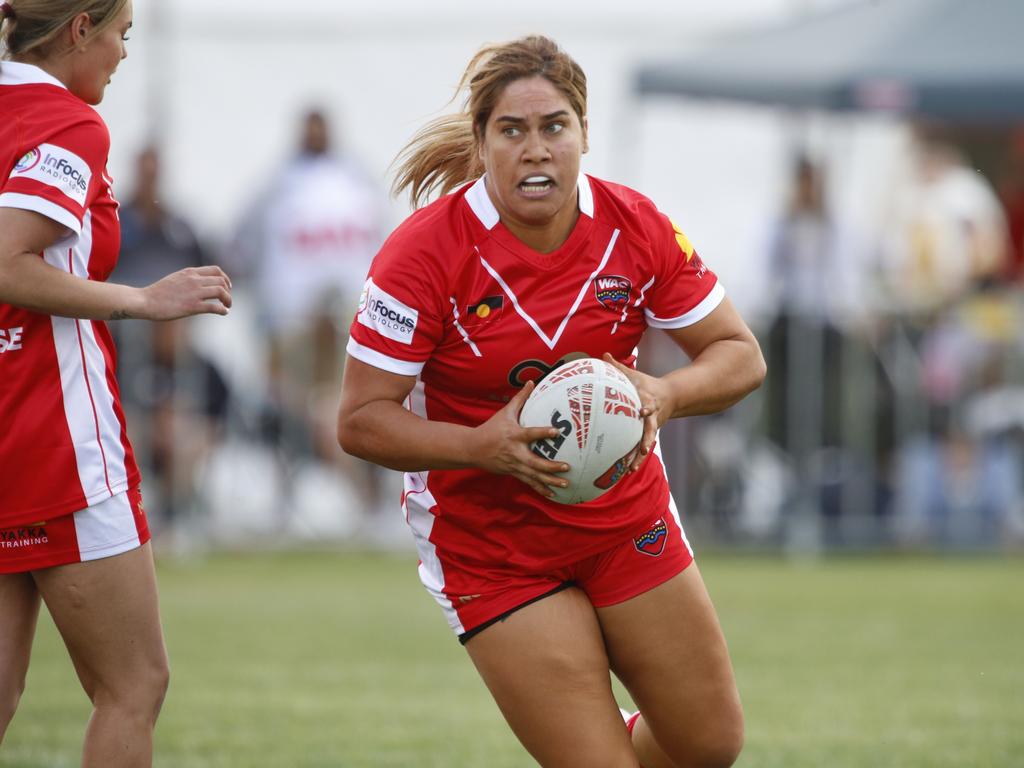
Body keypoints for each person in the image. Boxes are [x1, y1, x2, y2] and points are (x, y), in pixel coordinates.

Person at [337, 36, 765, 768]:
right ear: (482, 143)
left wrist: (662, 393)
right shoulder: (422, 255)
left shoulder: (637, 227)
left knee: (709, 745)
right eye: (512, 130)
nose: (535, 149)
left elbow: (739, 356)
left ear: (584, 134)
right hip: (492, 544)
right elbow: (359, 420)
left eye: (554, 126)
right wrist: (482, 446)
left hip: (621, 514)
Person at [0, 2, 232, 766]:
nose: (124, 55)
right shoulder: (65, 121)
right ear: (78, 30)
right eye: (120, 35)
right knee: (134, 684)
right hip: (56, 438)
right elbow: (7, 263)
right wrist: (142, 300)